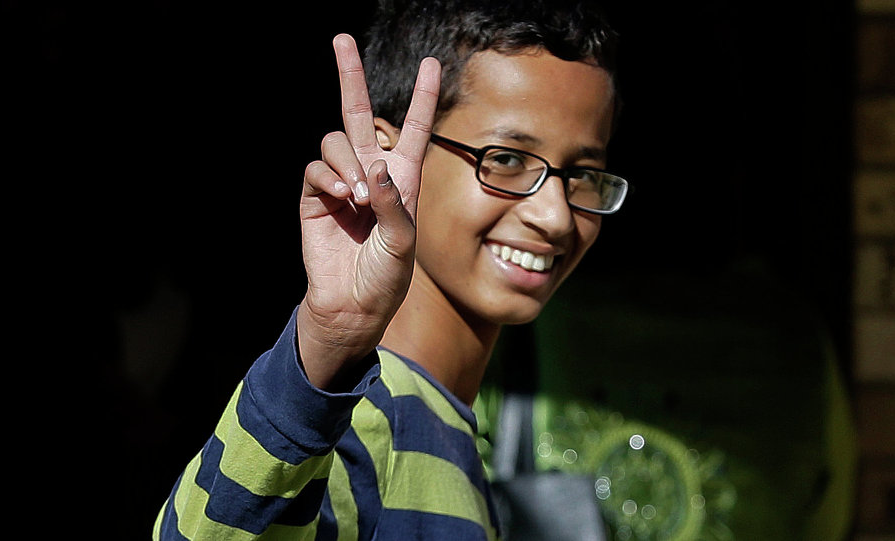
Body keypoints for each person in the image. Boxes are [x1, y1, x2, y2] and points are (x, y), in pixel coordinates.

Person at [153, 1, 628, 539]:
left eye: (584, 174)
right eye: (507, 159)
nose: (557, 216)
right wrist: (330, 340)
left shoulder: (445, 435)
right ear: (388, 154)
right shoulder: (361, 425)